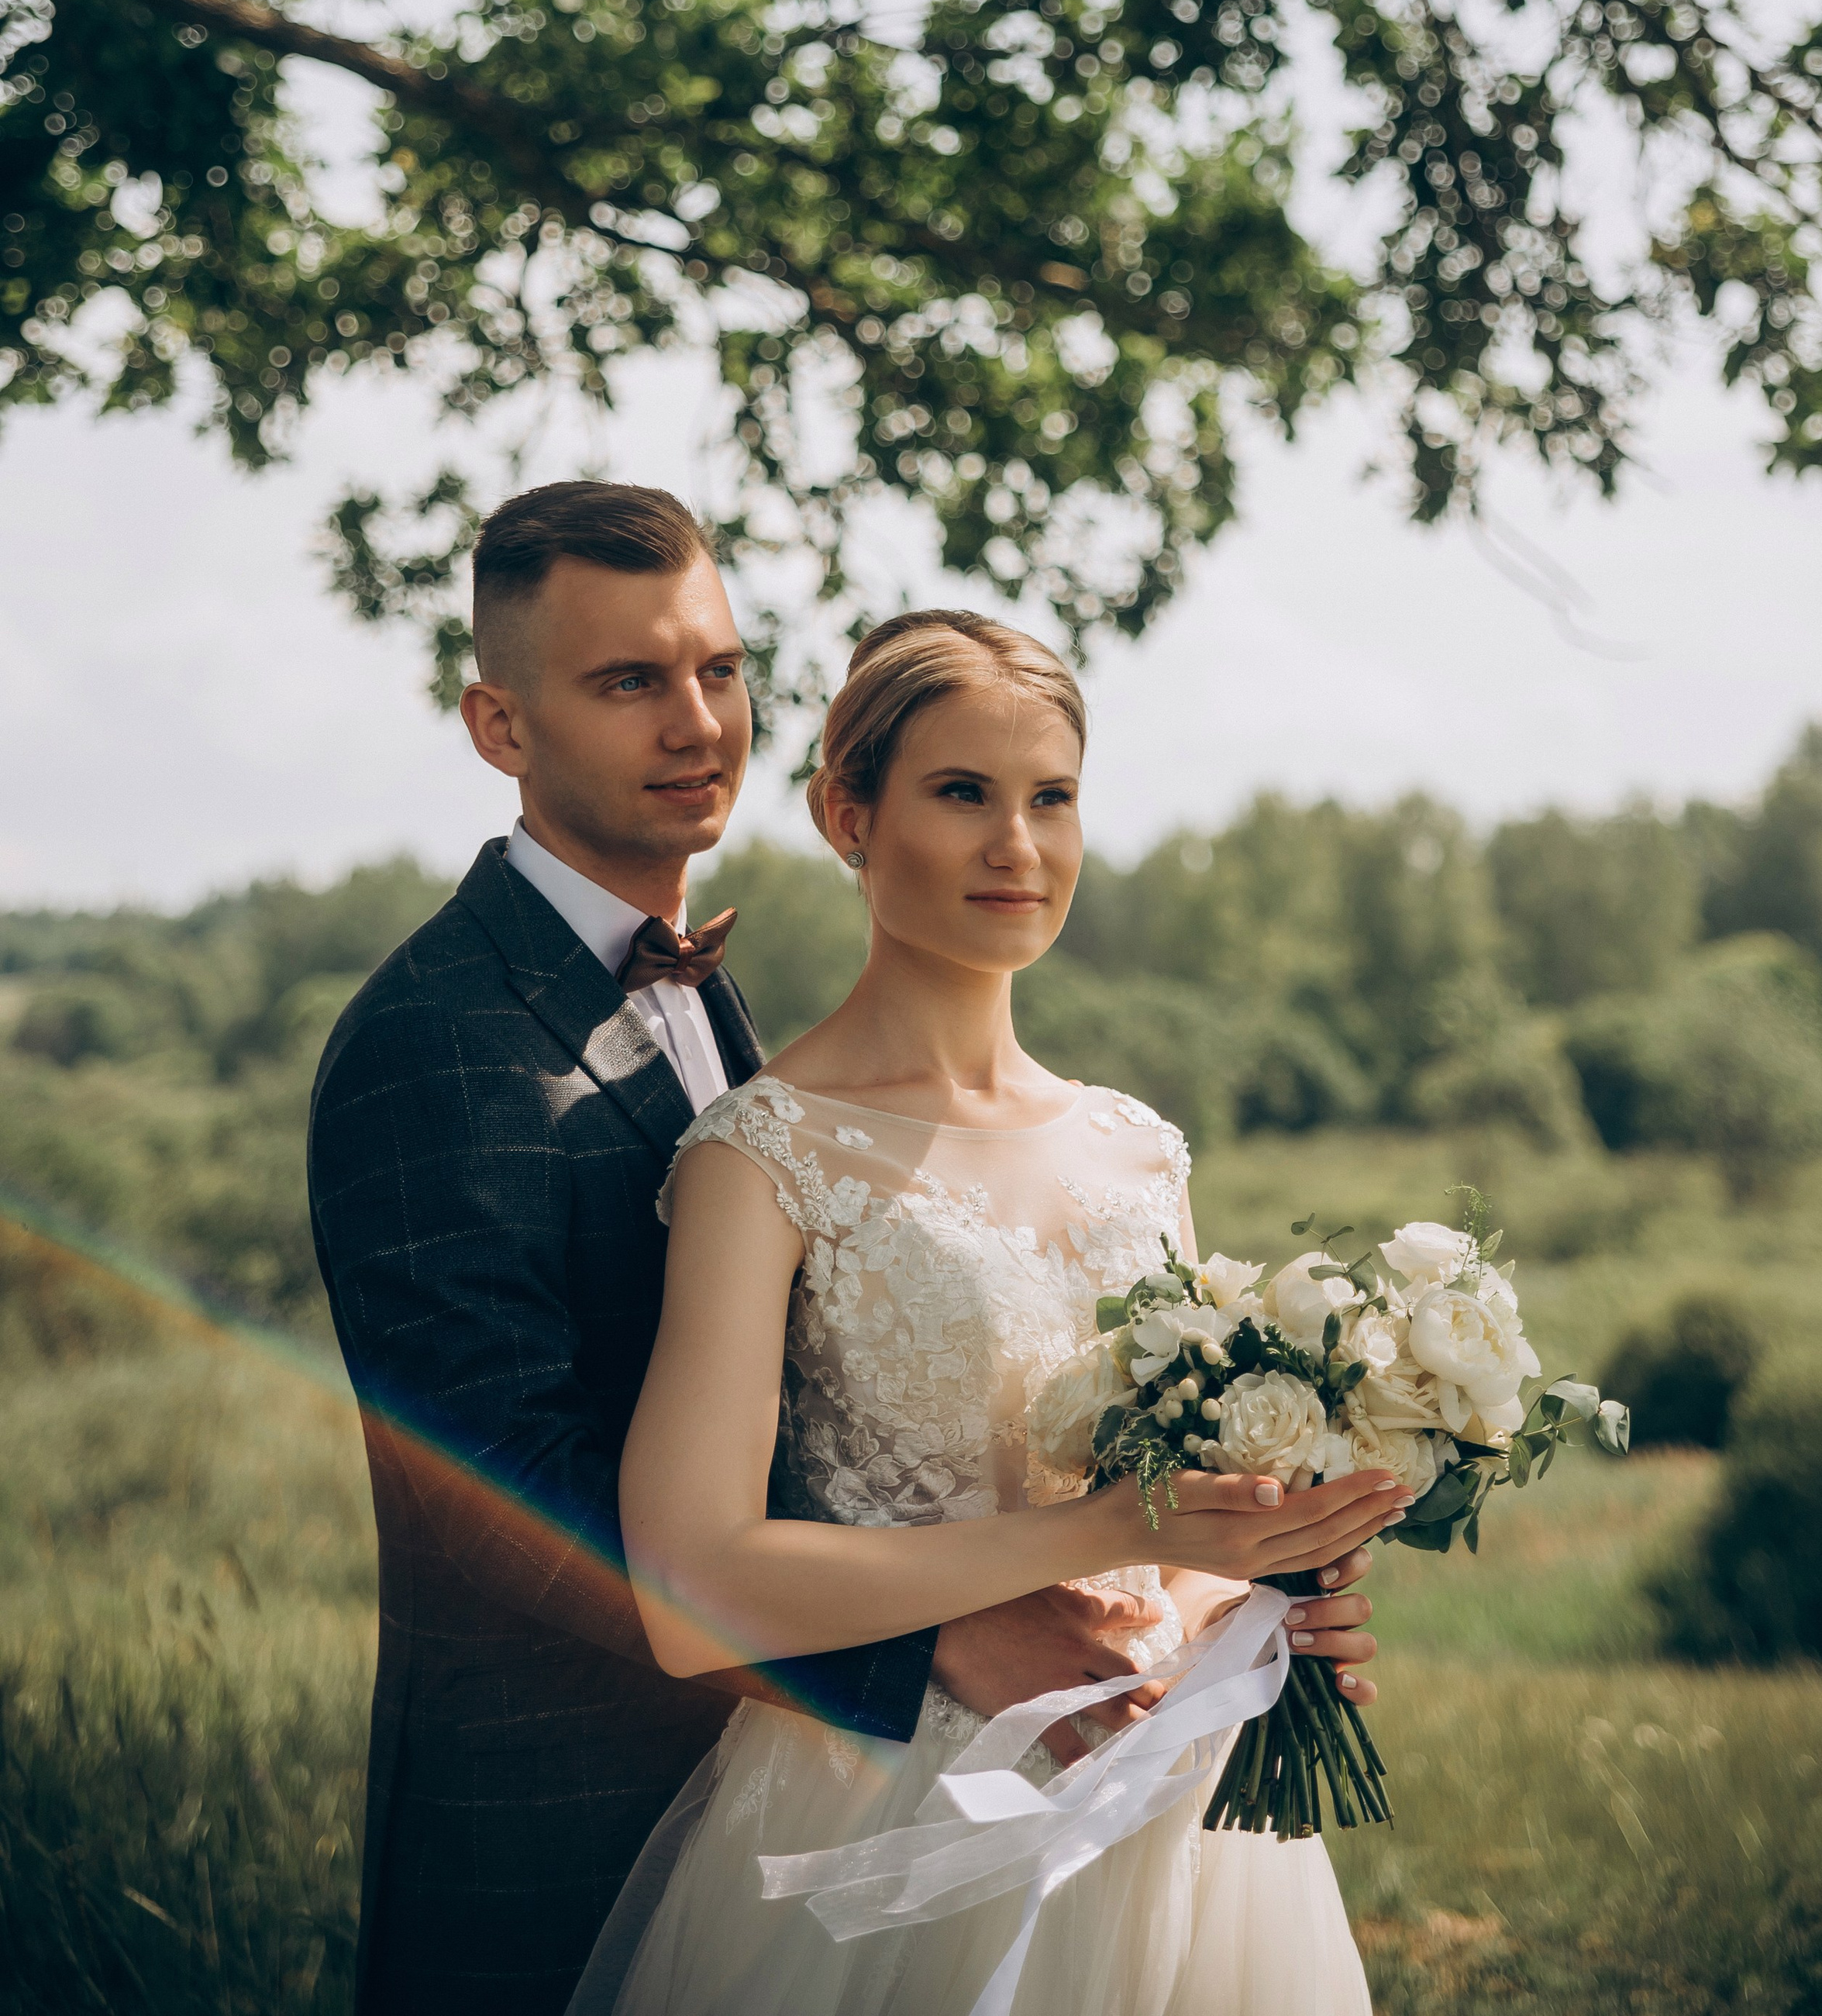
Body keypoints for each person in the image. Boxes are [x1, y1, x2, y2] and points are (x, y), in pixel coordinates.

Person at [309, 484, 1373, 2016]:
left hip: (1081, 1767)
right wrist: (928, 1639)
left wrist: (1246, 1601)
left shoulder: (727, 1019)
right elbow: (495, 1489)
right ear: (499, 724)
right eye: (627, 682)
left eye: (719, 670)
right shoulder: (437, 1041)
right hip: (586, 1807)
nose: (694, 724)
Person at [573, 606, 1397, 2016]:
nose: (1018, 846)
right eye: (963, 794)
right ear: (849, 813)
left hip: (1169, 1806)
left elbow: (1184, 1517)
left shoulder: (1139, 1148)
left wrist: (1250, 1600)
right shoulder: (761, 1159)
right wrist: (1107, 1536)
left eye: (1052, 798)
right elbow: (689, 1590)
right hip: (889, 1817)